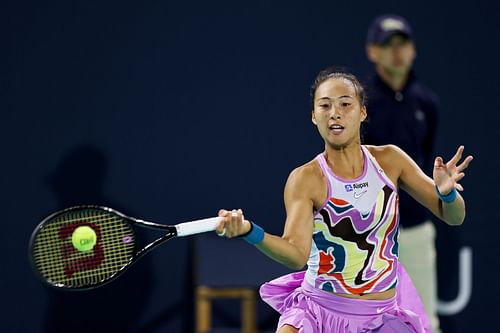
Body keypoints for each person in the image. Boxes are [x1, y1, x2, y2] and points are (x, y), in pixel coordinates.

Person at [215, 67, 472, 333]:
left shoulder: (391, 161)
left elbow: (454, 216)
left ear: (362, 112)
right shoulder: (306, 179)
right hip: (318, 312)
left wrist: (447, 193)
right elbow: (295, 254)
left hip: (381, 318)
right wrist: (249, 231)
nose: (335, 113)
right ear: (314, 116)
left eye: (345, 104)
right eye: (324, 106)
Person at [363, 14, 441, 332]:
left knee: (424, 322)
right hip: (368, 234)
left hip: (414, 229)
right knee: (366, 322)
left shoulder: (428, 103)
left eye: (403, 43)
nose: (397, 51)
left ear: (412, 50)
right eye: (388, 44)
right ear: (373, 52)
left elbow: (423, 160)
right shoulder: (360, 103)